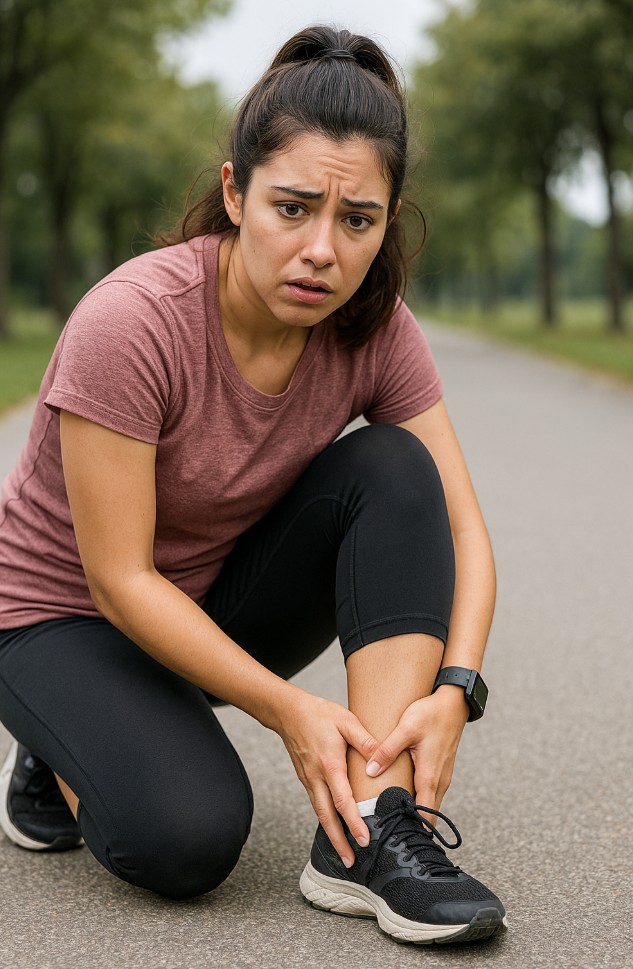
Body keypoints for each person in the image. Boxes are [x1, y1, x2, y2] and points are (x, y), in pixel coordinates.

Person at [0, 24, 506, 946]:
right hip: (61, 615)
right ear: (235, 193)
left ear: (387, 222)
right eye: (292, 208)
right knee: (185, 839)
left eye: (356, 220)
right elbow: (119, 578)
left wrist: (455, 689)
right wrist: (287, 709)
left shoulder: (373, 327)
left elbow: (464, 531)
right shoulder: (133, 322)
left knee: (396, 466)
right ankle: (59, 731)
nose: (321, 250)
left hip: (203, 599)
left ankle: (370, 829)